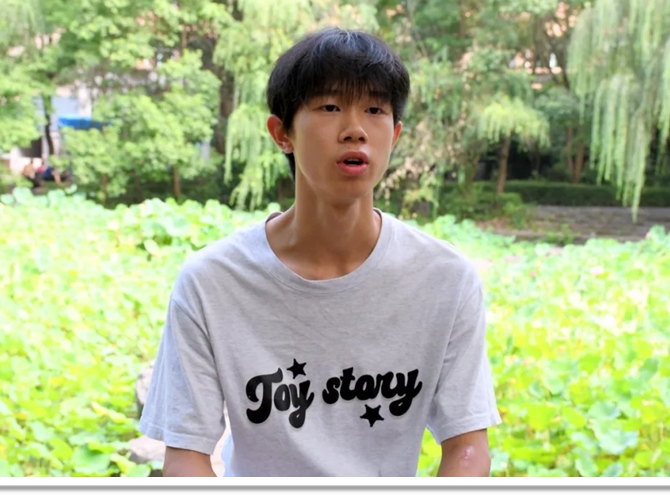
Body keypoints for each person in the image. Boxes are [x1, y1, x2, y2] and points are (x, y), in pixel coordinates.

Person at [139, 27, 501, 477]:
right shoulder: (211, 282)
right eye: (330, 107)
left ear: (395, 135)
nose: (355, 130)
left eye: (375, 110)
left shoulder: (446, 279)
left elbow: (468, 449)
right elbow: (185, 458)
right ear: (282, 133)